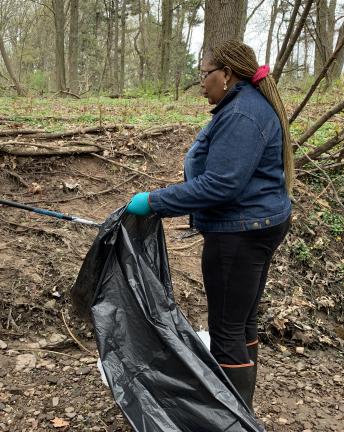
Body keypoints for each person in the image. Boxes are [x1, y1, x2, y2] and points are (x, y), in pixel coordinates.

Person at [125, 39, 293, 412]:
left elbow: (221, 184)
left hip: (240, 233)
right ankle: (241, 412)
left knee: (227, 329)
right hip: (257, 224)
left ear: (227, 74)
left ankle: (230, 419)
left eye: (205, 74)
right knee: (243, 320)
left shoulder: (242, 115)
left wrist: (154, 201)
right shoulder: (243, 105)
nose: (201, 82)